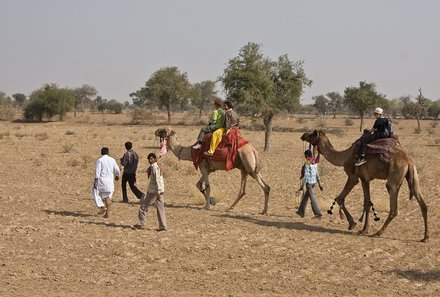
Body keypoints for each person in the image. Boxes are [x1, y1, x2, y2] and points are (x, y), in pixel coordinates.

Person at [134, 153, 167, 231]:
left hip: (154, 191)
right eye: (149, 159)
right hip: (159, 191)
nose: (150, 160)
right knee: (160, 208)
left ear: (155, 159)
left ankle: (141, 223)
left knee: (143, 207)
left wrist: (158, 192)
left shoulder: (154, 167)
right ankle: (163, 226)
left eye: (151, 158)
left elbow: (157, 180)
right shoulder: (157, 166)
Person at [296, 149, 323, 219]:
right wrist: (319, 184)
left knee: (312, 198)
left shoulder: (307, 163)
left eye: (305, 156)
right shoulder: (314, 162)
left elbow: (306, 175)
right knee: (305, 198)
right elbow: (317, 174)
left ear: (306, 156)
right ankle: (301, 211)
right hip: (314, 183)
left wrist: (302, 186)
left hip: (309, 184)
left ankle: (318, 214)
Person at [94, 147, 120, 218]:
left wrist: (96, 182)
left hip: (102, 181)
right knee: (108, 197)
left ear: (101, 153)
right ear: (108, 153)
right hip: (110, 182)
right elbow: (117, 170)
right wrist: (117, 175)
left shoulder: (100, 160)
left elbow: (97, 172)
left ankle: (102, 206)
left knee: (95, 193)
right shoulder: (112, 160)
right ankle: (107, 213)